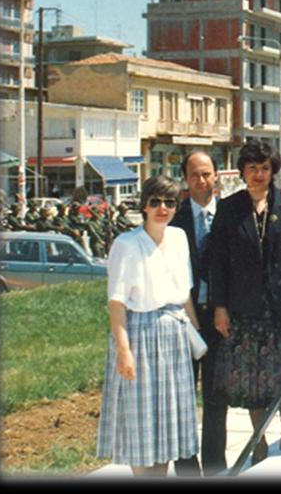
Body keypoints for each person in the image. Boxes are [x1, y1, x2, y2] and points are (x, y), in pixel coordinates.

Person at [207, 140, 281, 465]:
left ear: (274, 170)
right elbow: (218, 261)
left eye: (265, 168)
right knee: (254, 379)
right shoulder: (229, 208)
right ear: (243, 171)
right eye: (252, 168)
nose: (258, 174)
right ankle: (259, 442)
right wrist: (220, 306)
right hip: (246, 310)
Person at [95, 175, 199, 475]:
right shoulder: (127, 244)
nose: (162, 208)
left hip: (174, 337)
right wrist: (124, 351)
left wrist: (197, 338)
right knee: (142, 425)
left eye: (169, 202)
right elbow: (116, 302)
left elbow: (185, 294)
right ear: (144, 206)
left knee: (167, 426)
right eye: (155, 202)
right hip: (140, 335)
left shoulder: (179, 238)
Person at [171, 151, 228, 476]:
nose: (201, 181)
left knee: (216, 398)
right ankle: (186, 467)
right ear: (185, 179)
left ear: (216, 176)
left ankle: (215, 466)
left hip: (219, 319)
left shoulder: (230, 215)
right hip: (183, 321)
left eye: (207, 174)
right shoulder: (174, 219)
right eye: (195, 175)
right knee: (183, 397)